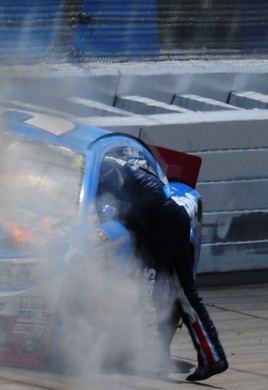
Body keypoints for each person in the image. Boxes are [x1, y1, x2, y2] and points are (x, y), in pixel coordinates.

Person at [98, 159, 228, 381]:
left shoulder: (112, 173)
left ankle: (153, 361)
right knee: (185, 295)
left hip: (162, 230)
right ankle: (213, 357)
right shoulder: (125, 167)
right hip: (173, 221)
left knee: (148, 292)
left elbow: (137, 208)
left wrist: (125, 220)